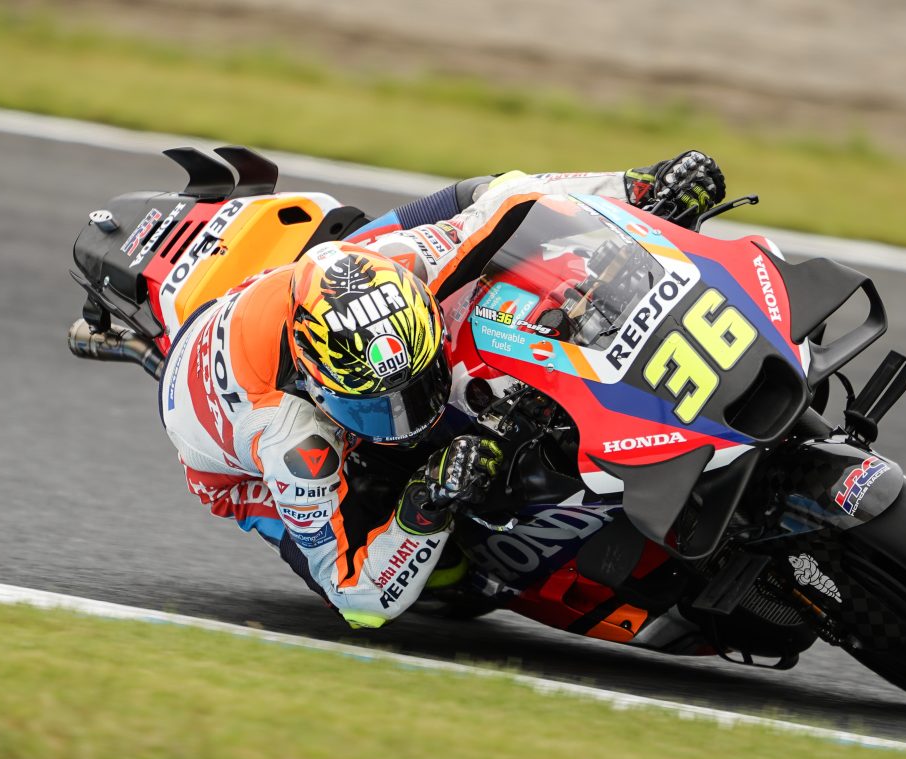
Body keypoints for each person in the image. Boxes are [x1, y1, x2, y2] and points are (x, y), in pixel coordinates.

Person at [157, 151, 725, 629]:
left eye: (418, 387)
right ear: (318, 387)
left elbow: (515, 199)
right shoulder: (289, 441)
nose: (413, 418)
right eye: (382, 409)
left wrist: (640, 187)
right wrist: (423, 503)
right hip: (236, 464)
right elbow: (358, 597)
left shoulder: (402, 265)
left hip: (310, 289)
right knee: (455, 575)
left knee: (484, 220)